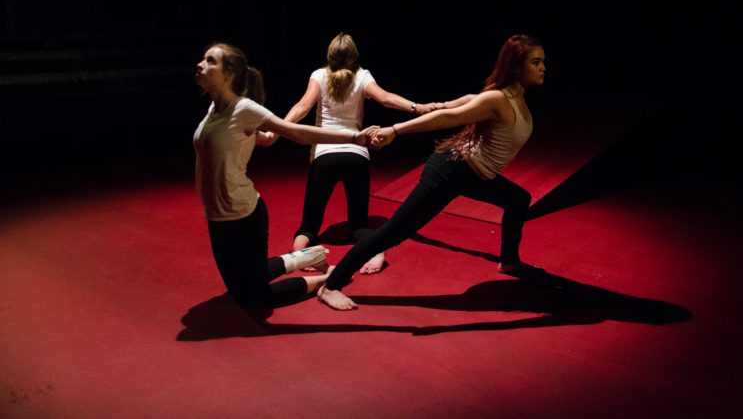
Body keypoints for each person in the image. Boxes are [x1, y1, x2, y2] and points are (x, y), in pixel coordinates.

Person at [317, 34, 546, 311]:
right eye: (536, 62)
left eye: (542, 61)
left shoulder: (510, 97)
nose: (542, 67)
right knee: (394, 232)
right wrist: (395, 130)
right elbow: (447, 118)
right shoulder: (498, 99)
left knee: (518, 199)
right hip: (450, 170)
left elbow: (458, 104)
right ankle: (331, 285)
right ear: (517, 67)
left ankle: (509, 261)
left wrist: (445, 103)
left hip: (477, 174)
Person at [193, 41, 377, 309]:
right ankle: (306, 257)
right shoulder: (213, 109)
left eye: (210, 61)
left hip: (243, 213)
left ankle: (329, 278)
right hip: (215, 213)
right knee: (242, 285)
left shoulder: (243, 109)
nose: (201, 64)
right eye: (203, 59)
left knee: (254, 298)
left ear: (229, 74)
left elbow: (299, 133)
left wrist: (352, 137)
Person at [267, 32, 440, 275]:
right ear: (354, 56)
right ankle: (377, 251)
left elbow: (303, 106)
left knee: (308, 227)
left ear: (330, 55)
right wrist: (417, 107)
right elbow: (386, 98)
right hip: (356, 156)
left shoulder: (318, 75)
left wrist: (277, 130)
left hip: (324, 155)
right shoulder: (362, 76)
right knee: (359, 225)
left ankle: (299, 253)